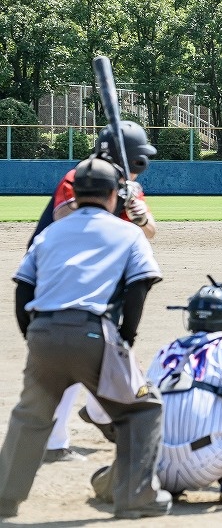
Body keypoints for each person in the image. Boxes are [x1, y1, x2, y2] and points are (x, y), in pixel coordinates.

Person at [0, 157, 171, 519]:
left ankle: (4, 499)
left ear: (74, 194)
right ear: (113, 195)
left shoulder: (49, 233)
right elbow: (140, 284)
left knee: (30, 417)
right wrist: (126, 337)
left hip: (44, 333)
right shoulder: (128, 232)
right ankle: (135, 498)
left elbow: (23, 287)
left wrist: (33, 336)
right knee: (142, 411)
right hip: (94, 334)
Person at [27, 121, 158, 463]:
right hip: (62, 277)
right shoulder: (81, 177)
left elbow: (149, 233)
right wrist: (116, 203)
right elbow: (64, 215)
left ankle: (99, 412)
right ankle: (54, 442)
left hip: (100, 280)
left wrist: (140, 216)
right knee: (72, 355)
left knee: (107, 351)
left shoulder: (128, 186)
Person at [88, 276, 222, 504]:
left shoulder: (167, 350)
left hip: (155, 465)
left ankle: (138, 479)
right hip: (210, 463)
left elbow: (142, 399)